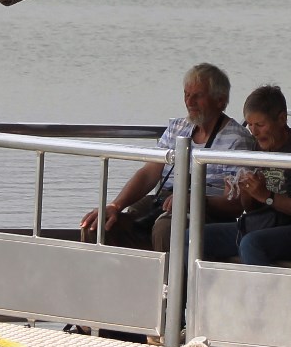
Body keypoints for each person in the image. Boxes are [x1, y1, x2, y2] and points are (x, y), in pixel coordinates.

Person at [79, 63, 253, 251]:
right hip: (163, 201)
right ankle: (118, 276)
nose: (189, 101)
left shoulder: (237, 139)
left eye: (198, 96)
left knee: (166, 228)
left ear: (220, 100)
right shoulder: (178, 127)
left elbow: (235, 204)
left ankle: (169, 280)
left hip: (206, 210)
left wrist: (193, 199)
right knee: (98, 224)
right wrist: (114, 206)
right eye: (186, 94)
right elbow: (148, 173)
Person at [199, 84, 291, 265]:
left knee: (251, 244)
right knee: (194, 237)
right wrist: (246, 190)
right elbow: (251, 209)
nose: (254, 132)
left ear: (282, 119)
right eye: (250, 125)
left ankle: (261, 294)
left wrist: (268, 196)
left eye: (260, 125)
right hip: (266, 224)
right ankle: (202, 291)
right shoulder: (258, 148)